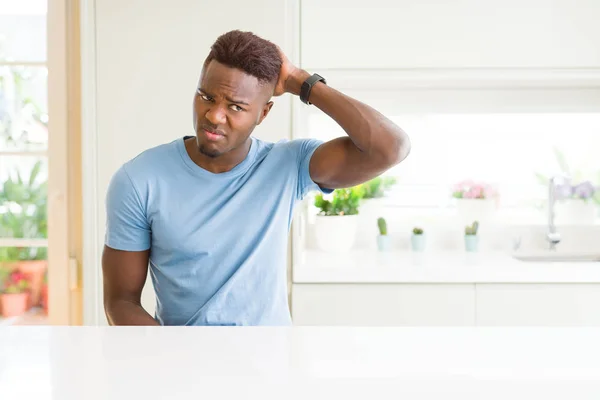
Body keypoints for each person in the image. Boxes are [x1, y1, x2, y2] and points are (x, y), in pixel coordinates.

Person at [102, 30, 411, 326]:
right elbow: (121, 301)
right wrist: (174, 359)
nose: (214, 115)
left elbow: (391, 148)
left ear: (263, 113)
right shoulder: (138, 180)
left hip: (272, 366)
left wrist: (302, 82)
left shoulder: (290, 164)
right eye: (206, 97)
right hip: (184, 366)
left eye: (236, 107)